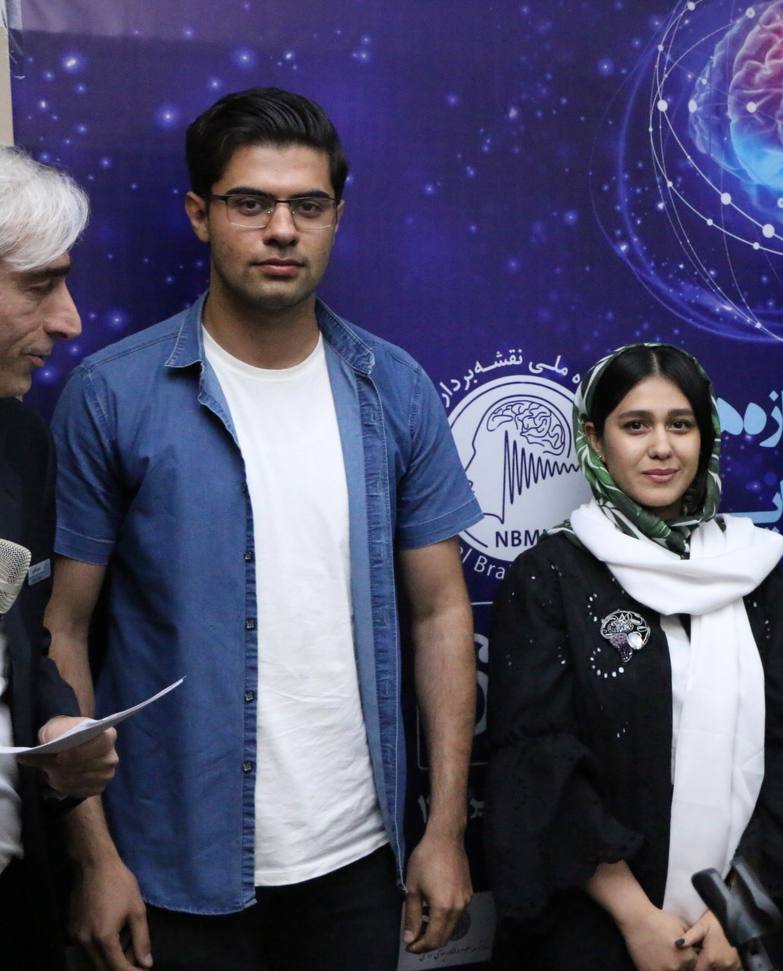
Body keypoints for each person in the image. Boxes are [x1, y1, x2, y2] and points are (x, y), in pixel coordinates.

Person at [44, 88, 483, 971]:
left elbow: (441, 613)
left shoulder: (394, 389)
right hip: (168, 866)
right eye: (251, 203)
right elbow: (64, 629)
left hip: (357, 863)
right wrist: (93, 855)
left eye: (307, 206)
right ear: (199, 214)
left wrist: (443, 829)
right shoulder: (112, 394)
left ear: (336, 218)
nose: (282, 229)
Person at [484, 343, 783, 971]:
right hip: (597, 926)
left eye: (681, 424)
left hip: (738, 928)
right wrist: (639, 919)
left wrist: (735, 910)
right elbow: (537, 762)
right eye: (635, 425)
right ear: (594, 440)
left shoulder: (751, 569)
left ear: (706, 437)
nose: (661, 447)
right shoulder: (549, 577)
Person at [0, 145, 120, 970]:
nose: (71, 321)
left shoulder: (22, 444)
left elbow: (27, 639)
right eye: (39, 286)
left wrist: (57, 727)